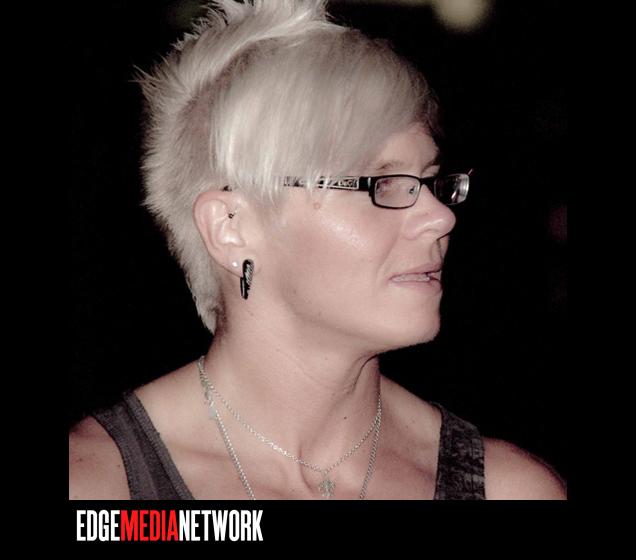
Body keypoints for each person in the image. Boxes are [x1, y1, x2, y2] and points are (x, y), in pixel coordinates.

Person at [69, 0, 566, 500]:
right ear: (231, 227)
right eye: (381, 183)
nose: (440, 217)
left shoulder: (510, 490)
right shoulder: (98, 489)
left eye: (430, 180)